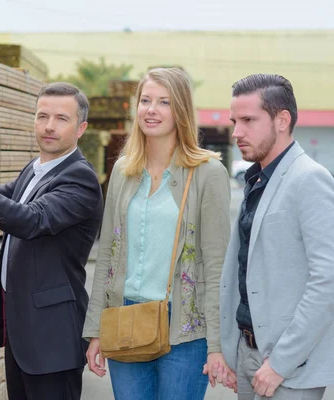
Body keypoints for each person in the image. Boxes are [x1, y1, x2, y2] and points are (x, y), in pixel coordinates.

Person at [0, 82, 104, 400]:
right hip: (22, 332)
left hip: (51, 339)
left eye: (61, 119)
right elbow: (1, 197)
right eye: (42, 116)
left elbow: (33, 219)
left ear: (81, 128)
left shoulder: (80, 178)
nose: (49, 127)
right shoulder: (36, 169)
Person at [82, 67, 232, 400]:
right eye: (146, 100)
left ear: (181, 111)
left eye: (164, 102)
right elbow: (107, 254)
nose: (152, 110)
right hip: (126, 318)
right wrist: (96, 331)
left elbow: (217, 265)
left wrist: (217, 345)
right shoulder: (123, 170)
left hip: (185, 333)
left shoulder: (208, 173)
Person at [214, 73, 334, 399]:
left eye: (248, 120)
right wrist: (230, 347)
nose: (236, 132)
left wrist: (281, 363)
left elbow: (327, 280)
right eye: (234, 121)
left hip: (289, 367)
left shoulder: (309, 179)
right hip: (247, 351)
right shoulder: (256, 180)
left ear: (282, 120)